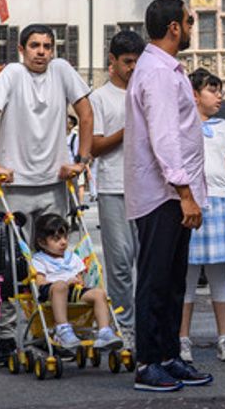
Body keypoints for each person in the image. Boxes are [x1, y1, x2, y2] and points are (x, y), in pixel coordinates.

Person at [0, 24, 94, 367]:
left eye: (47, 46)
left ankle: (51, 330)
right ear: (21, 48)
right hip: (14, 187)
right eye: (34, 46)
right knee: (9, 266)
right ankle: (6, 336)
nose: (41, 51)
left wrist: (82, 161)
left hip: (54, 185)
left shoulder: (61, 71)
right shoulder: (12, 73)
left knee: (54, 262)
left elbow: (86, 112)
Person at [124, 0, 211, 392]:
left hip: (173, 192)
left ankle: (168, 355)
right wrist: (185, 192)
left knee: (174, 280)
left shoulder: (164, 68)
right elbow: (164, 138)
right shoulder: (157, 72)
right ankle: (147, 362)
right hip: (164, 194)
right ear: (175, 27)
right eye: (189, 21)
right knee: (156, 280)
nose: (192, 28)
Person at [179, 69, 225, 364]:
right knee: (186, 276)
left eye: (220, 91)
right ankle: (181, 338)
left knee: (220, 274)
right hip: (191, 204)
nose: (219, 96)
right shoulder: (180, 124)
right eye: (212, 90)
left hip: (220, 203)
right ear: (194, 94)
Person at [88, 30, 146, 351]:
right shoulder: (100, 97)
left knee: (147, 262)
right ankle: (124, 326)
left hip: (147, 186)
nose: (133, 68)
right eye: (127, 62)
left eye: (138, 62)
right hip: (113, 186)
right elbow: (94, 146)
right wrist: (128, 130)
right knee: (120, 262)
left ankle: (147, 325)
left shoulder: (146, 93)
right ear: (112, 62)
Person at [30, 213, 122, 356]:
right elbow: (40, 282)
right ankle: (63, 329)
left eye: (65, 237)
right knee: (60, 286)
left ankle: (104, 332)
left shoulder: (72, 257)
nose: (63, 242)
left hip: (74, 291)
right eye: (56, 239)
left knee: (99, 293)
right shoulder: (39, 259)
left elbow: (80, 279)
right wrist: (64, 283)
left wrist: (77, 281)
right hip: (51, 292)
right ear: (42, 242)